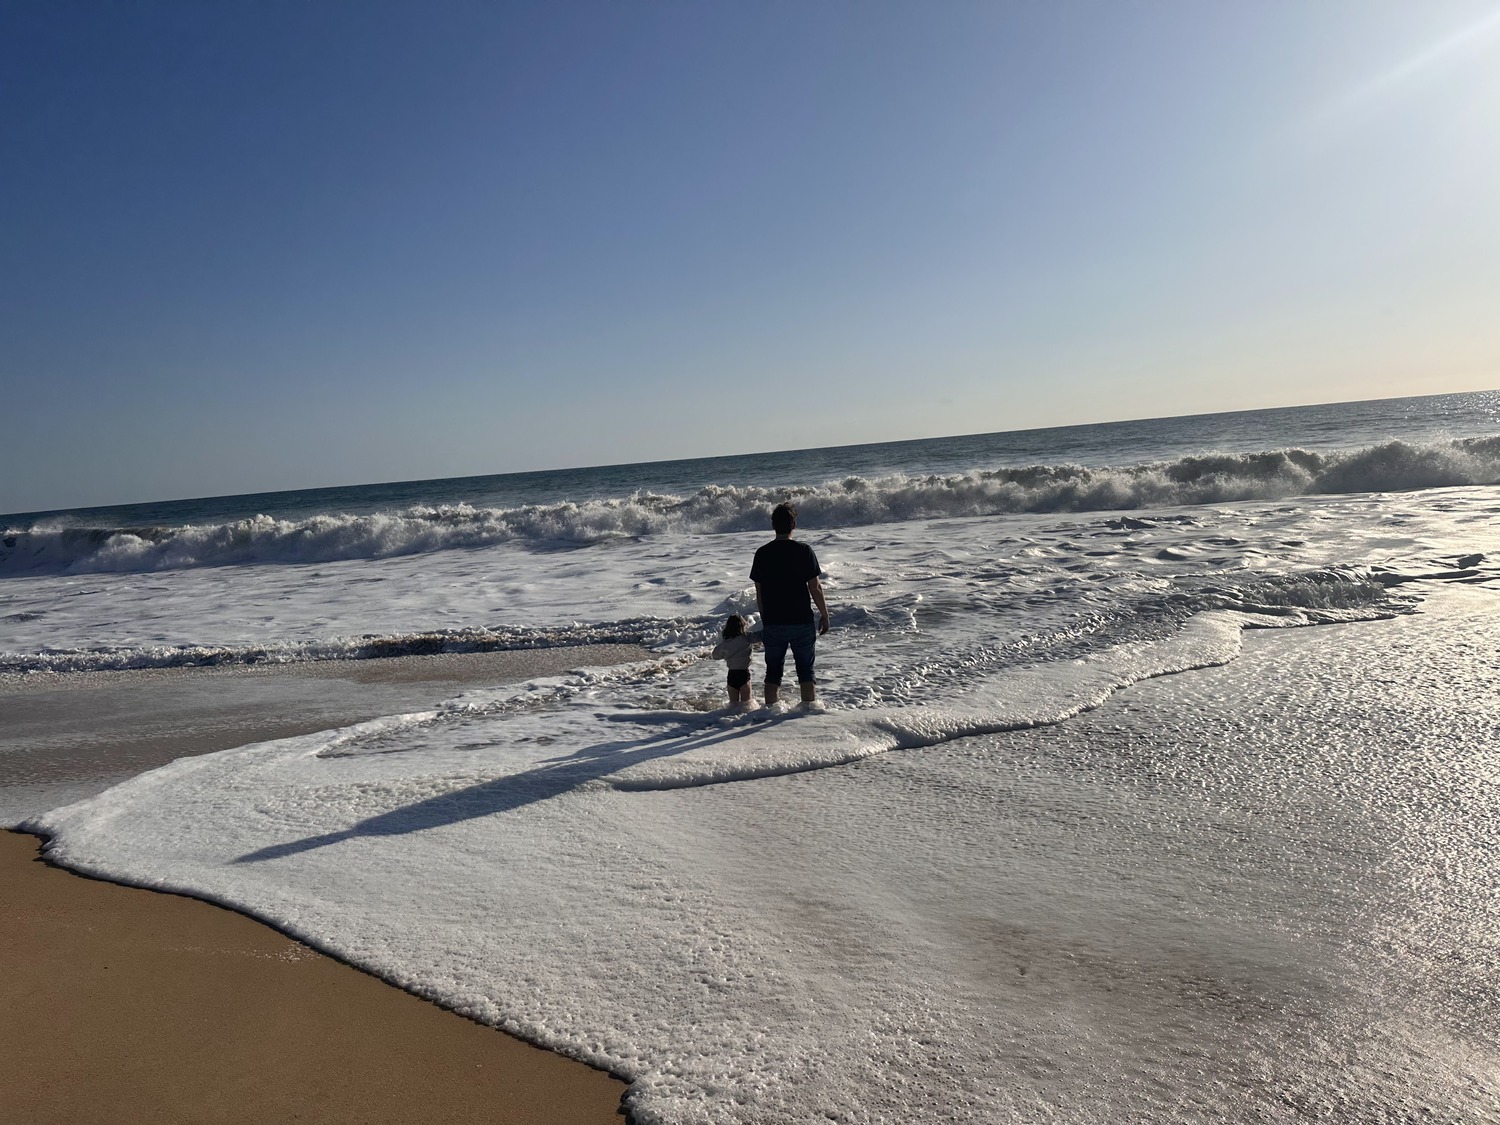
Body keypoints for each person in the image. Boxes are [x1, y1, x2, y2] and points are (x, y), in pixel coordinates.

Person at [749, 502, 829, 707]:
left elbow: (759, 593)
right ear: (793, 523)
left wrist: (766, 620)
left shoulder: (762, 553)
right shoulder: (804, 551)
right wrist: (824, 614)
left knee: (773, 675)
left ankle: (769, 715)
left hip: (774, 621)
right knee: (806, 673)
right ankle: (808, 716)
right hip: (801, 620)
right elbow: (815, 587)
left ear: (773, 525)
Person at [710, 613, 757, 705]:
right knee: (747, 705)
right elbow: (761, 636)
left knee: (733, 705)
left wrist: (725, 655)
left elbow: (714, 655)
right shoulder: (747, 638)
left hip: (732, 675)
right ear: (742, 626)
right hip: (744, 674)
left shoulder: (725, 644)